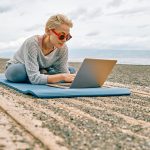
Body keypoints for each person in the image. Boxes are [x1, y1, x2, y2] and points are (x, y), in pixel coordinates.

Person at [5, 14, 76, 84]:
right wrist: (61, 77)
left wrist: (64, 76)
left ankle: (42, 76)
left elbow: (64, 73)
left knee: (71, 70)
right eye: (62, 36)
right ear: (48, 31)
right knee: (18, 72)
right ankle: (42, 76)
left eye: (68, 37)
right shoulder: (32, 43)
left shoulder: (63, 47)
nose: (64, 40)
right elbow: (34, 78)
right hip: (20, 67)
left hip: (41, 69)